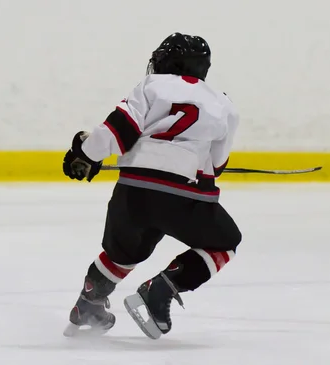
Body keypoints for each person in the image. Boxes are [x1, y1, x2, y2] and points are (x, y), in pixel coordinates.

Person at [61, 32, 242, 340]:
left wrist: (85, 154)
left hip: (133, 190)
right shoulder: (223, 104)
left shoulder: (150, 86)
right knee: (225, 241)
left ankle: (88, 303)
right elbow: (217, 165)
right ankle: (160, 290)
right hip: (182, 197)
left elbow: (118, 131)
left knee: (124, 251)